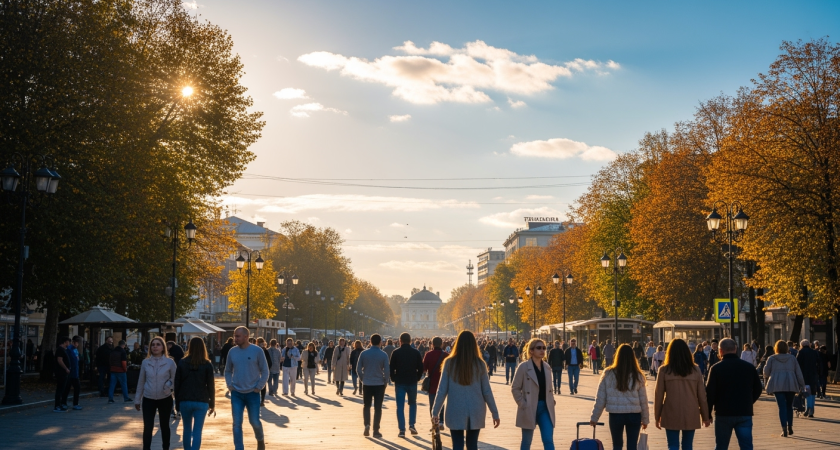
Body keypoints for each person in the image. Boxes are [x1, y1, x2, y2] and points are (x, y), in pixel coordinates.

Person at [432, 330, 500, 450]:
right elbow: (487, 391)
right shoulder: (480, 364)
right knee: (472, 445)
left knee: (457, 445)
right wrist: (494, 413)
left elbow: (442, 390)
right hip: (476, 409)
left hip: (455, 408)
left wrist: (435, 411)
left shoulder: (449, 363)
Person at [705, 338, 762, 450]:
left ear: (720, 351)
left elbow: (710, 393)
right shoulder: (749, 367)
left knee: (721, 446)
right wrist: (750, 401)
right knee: (746, 446)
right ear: (735, 349)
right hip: (744, 412)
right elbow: (758, 388)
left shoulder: (716, 368)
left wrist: (707, 414)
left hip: (723, 413)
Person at [653, 339, 711, 450]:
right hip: (691, 411)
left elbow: (658, 395)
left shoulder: (664, 370)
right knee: (688, 445)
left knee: (673, 445)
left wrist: (657, 416)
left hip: (671, 411)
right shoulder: (695, 370)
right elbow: (702, 396)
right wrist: (705, 416)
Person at [590, 344, 649, 450]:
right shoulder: (638, 375)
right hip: (634, 415)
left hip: (616, 415)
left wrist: (594, 417)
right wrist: (645, 419)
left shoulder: (608, 373)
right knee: (632, 446)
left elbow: (600, 398)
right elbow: (643, 400)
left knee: (617, 445)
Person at [225, 326, 269, 450]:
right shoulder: (232, 351)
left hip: (253, 393)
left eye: (237, 336)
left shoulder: (257, 351)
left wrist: (259, 387)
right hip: (236, 393)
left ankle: (260, 440)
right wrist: (230, 385)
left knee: (254, 421)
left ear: (246, 336)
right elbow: (227, 370)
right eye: (234, 336)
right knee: (237, 424)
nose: (235, 338)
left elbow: (265, 371)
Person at [512, 338, 556, 450]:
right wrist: (522, 403)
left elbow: (549, 388)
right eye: (539, 348)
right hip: (529, 406)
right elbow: (515, 388)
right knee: (526, 442)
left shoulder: (547, 367)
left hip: (545, 407)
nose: (542, 350)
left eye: (544, 348)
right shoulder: (523, 367)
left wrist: (552, 400)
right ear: (531, 351)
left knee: (548, 440)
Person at [135, 336, 177, 450]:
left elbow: (175, 379)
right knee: (148, 427)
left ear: (163, 347)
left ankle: (166, 448)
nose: (155, 347)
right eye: (153, 345)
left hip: (165, 397)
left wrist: (168, 386)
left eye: (158, 344)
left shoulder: (170, 362)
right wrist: (137, 399)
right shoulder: (145, 362)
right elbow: (141, 381)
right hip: (149, 398)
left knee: (164, 426)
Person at [175, 337, 216, 450]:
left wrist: (177, 403)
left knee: (187, 429)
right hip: (201, 400)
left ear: (189, 346)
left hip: (185, 399)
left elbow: (177, 384)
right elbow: (211, 386)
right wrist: (212, 403)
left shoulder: (182, 362)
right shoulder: (207, 364)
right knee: (197, 430)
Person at [763, 340, 805, 437]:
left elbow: (765, 372)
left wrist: (771, 375)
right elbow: (798, 373)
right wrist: (802, 385)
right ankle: (790, 426)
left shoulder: (771, 358)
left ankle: (784, 429)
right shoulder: (792, 358)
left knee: (781, 406)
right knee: (789, 406)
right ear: (787, 348)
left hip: (777, 385)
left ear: (776, 348)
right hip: (790, 384)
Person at [390, 332, 424, 437]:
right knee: (412, 403)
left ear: (400, 341)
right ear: (410, 341)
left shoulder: (396, 352)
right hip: (412, 381)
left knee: (400, 406)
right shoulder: (416, 352)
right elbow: (421, 368)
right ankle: (412, 425)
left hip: (400, 381)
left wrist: (393, 378)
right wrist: (417, 377)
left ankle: (402, 430)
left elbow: (391, 368)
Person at [357, 333, 390, 438]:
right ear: (380, 342)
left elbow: (358, 369)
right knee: (378, 407)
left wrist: (363, 378)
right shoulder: (383, 355)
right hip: (379, 383)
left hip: (367, 383)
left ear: (370, 342)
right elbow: (387, 371)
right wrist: (385, 381)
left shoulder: (364, 353)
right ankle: (376, 430)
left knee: (366, 405)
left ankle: (367, 424)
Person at [423, 336, 449, 430]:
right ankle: (441, 422)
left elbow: (424, 369)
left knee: (433, 404)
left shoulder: (428, 354)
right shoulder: (446, 355)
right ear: (441, 344)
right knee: (442, 403)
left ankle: (434, 423)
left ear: (432, 344)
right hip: (444, 383)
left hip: (432, 383)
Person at [796, 339, 820, 417]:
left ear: (801, 345)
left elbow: (797, 364)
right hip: (813, 375)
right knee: (812, 392)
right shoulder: (814, 352)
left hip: (804, 375)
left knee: (806, 391)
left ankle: (807, 408)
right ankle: (811, 409)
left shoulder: (801, 352)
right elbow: (818, 363)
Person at [54, 337, 71, 412]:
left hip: (63, 372)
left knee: (62, 388)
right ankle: (57, 405)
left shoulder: (64, 350)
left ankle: (60, 404)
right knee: (60, 389)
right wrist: (66, 368)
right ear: (65, 342)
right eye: (68, 342)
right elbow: (59, 360)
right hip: (61, 372)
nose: (69, 344)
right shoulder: (60, 350)